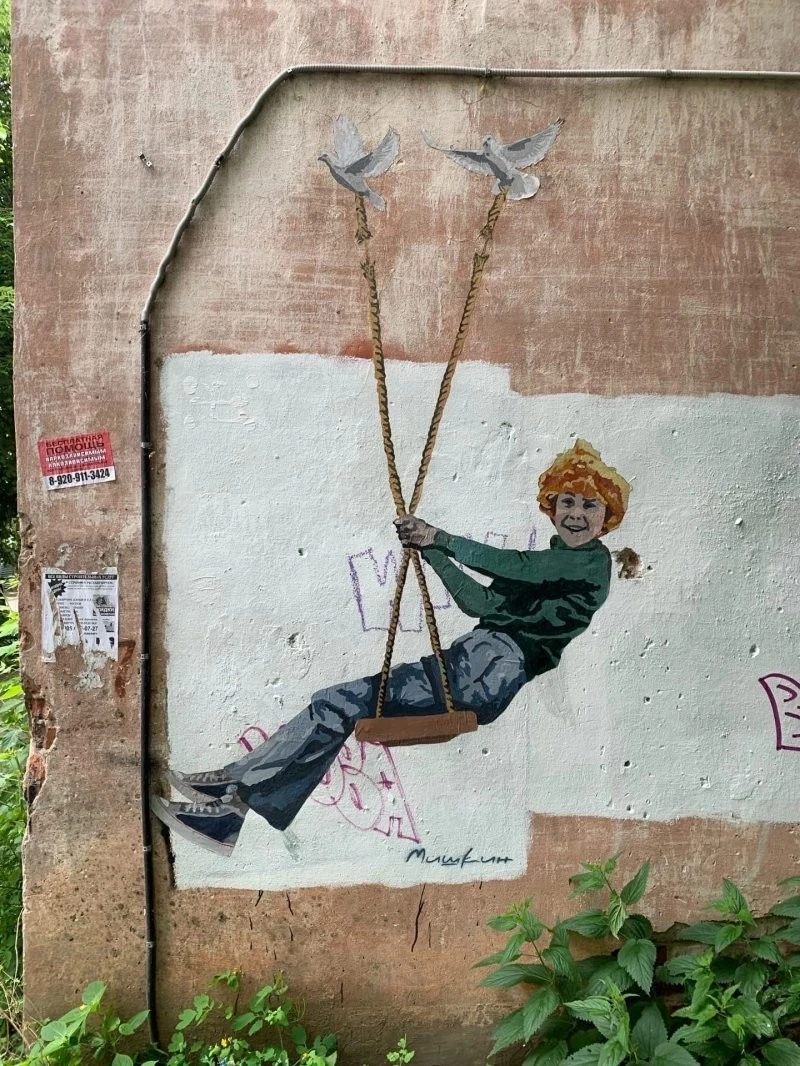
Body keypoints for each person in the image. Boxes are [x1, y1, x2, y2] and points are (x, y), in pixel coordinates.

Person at [152, 439, 631, 855]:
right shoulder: (551, 565)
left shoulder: (589, 566)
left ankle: (235, 792)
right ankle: (232, 808)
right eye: (567, 501)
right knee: (337, 706)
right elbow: (479, 602)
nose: (576, 514)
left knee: (336, 703)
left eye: (590, 506)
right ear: (551, 505)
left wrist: (439, 536)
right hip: (472, 662)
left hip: (489, 670)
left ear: (607, 518)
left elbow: (513, 565)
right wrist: (432, 552)